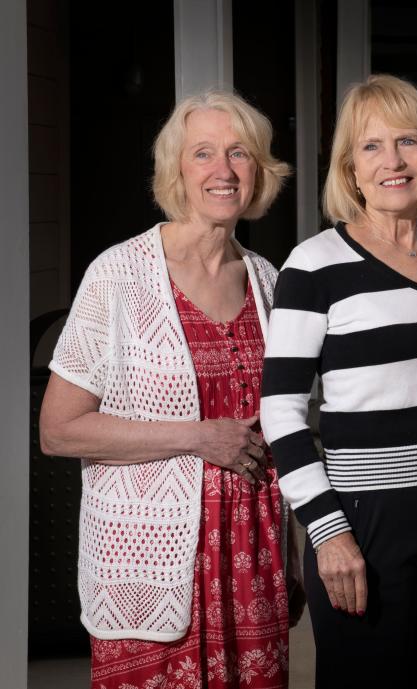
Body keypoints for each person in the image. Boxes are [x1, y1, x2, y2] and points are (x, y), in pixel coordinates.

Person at [40, 90, 293, 688]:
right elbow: (58, 429)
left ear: (259, 170)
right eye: (203, 154)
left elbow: (286, 427)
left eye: (239, 154)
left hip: (252, 556)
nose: (223, 171)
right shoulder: (118, 275)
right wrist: (198, 437)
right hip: (148, 555)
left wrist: (297, 560)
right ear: (176, 170)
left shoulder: (269, 281)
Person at [260, 74, 417, 689]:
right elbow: (281, 412)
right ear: (349, 168)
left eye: (408, 142)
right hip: (365, 525)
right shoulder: (315, 264)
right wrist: (328, 529)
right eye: (372, 147)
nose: (393, 161)